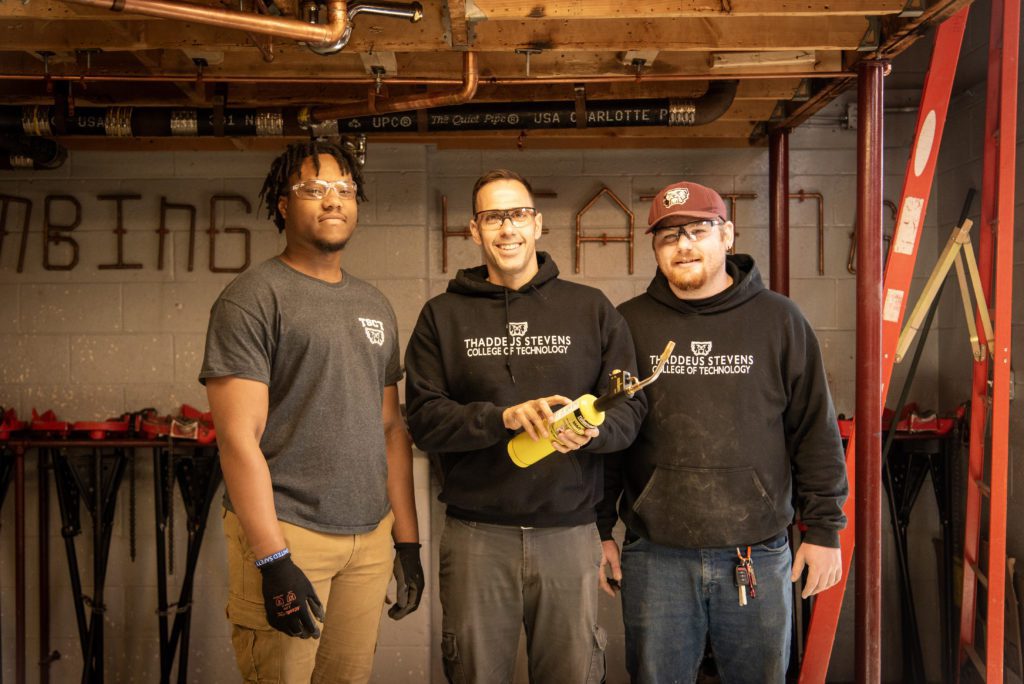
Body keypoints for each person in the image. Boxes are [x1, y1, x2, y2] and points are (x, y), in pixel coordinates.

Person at [598, 181, 849, 683]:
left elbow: (814, 430)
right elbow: (608, 440)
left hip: (756, 552)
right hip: (656, 554)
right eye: (668, 237)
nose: (684, 245)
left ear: (727, 235)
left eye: (697, 230)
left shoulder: (780, 319)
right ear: (655, 249)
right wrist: (600, 528)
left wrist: (823, 530)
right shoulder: (628, 324)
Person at [404, 169, 644, 683]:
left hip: (569, 535)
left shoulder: (591, 310)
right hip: (476, 536)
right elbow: (423, 420)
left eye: (517, 215)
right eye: (493, 217)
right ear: (474, 230)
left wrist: (596, 432)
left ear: (537, 224)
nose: (507, 228)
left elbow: (629, 408)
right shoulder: (441, 317)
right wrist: (500, 418)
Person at [200, 139, 423, 684]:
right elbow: (238, 440)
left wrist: (407, 541)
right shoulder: (252, 298)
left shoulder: (373, 304)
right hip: (290, 532)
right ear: (282, 203)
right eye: (314, 189)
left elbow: (391, 428)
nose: (333, 201)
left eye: (345, 190)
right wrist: (273, 560)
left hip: (368, 539)